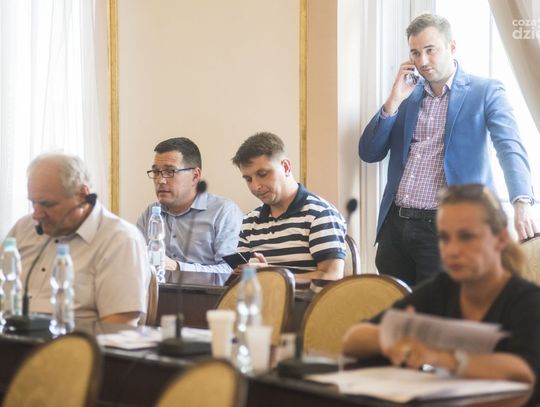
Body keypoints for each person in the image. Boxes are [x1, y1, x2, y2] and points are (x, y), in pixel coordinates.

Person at [359, 13, 537, 286]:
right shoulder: (406, 96)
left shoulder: (485, 91)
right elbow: (369, 152)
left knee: (440, 310)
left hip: (445, 230)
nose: (423, 61)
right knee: (396, 309)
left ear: (451, 47)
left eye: (430, 50)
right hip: (395, 229)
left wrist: (521, 202)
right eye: (415, 53)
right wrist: (393, 100)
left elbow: (509, 146)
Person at [342, 184, 540, 404]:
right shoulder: (442, 288)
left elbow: (524, 371)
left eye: (466, 237)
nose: (452, 250)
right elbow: (352, 340)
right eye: (444, 238)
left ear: (501, 239)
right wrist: (397, 337)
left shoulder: (528, 300)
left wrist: (440, 356)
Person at [6, 153, 149, 325]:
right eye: (33, 203)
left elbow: (118, 327)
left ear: (82, 194)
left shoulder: (120, 240)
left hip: (74, 340)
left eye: (47, 204)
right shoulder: (24, 228)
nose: (36, 215)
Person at [232, 132, 346, 281]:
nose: (255, 186)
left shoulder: (320, 214)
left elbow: (331, 276)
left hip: (303, 297)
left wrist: (274, 277)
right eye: (248, 179)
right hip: (259, 295)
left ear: (286, 167)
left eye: (263, 174)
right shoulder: (250, 220)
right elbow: (243, 278)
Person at [137, 137, 243, 280]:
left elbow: (232, 272)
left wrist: (177, 267)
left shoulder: (223, 212)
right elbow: (134, 262)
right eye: (156, 172)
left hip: (207, 295)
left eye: (170, 171)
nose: (160, 180)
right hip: (157, 294)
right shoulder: (150, 214)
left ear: (195, 176)